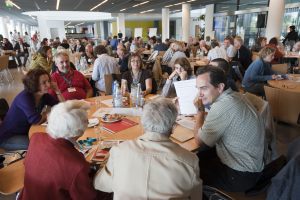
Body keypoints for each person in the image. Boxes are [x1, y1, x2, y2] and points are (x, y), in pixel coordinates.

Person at [94, 98, 202, 199]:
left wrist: (105, 165)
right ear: (173, 127)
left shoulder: (119, 151)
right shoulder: (190, 160)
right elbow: (195, 197)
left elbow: (100, 184)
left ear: (143, 123)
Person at [18, 100, 109, 200]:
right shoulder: (77, 166)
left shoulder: (36, 138)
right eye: (86, 120)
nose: (87, 122)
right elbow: (88, 197)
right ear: (77, 132)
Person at [193, 66, 265, 192]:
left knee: (189, 171)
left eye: (204, 88)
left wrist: (199, 111)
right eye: (198, 88)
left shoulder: (222, 106)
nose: (199, 94)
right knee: (201, 155)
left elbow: (200, 141)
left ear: (220, 87)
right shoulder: (237, 95)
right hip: (254, 164)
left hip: (241, 175)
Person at [0, 68, 63, 151]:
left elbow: (62, 106)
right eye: (44, 82)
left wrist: (57, 91)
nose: (48, 85)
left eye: (48, 81)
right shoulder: (24, 98)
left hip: (26, 131)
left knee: (53, 140)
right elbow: (36, 120)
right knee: (40, 146)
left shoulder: (43, 95)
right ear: (34, 84)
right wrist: (47, 114)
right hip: (9, 137)